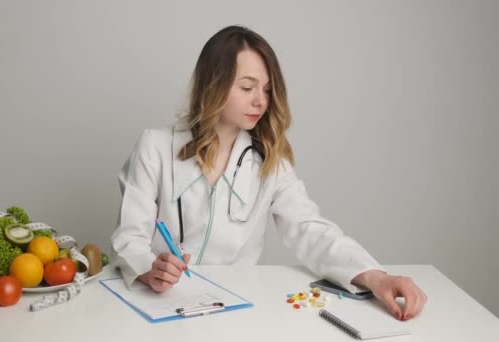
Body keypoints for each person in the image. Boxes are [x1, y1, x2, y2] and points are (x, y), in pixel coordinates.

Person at [111, 25, 427, 321]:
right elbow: (130, 235)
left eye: (266, 89)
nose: (260, 101)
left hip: (232, 311)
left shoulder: (268, 160)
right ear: (214, 84)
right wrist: (147, 268)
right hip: (159, 308)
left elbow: (311, 230)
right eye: (247, 87)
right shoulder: (155, 147)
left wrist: (378, 277)